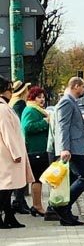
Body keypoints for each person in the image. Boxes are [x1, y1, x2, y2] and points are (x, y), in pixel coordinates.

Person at [53, 76, 84, 226]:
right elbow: (63, 126)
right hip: (71, 149)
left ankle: (65, 211)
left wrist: (83, 149)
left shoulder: (71, 101)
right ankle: (62, 207)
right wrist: (64, 148)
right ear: (76, 86)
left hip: (76, 148)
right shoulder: (66, 102)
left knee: (80, 177)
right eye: (83, 87)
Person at [0, 77, 33, 229]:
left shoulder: (4, 107)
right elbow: (7, 133)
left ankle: (9, 217)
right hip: (7, 155)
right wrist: (16, 153)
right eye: (10, 89)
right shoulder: (2, 108)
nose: (11, 92)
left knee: (7, 189)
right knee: (6, 188)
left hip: (7, 153)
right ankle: (7, 217)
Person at [20, 86, 51, 218]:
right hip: (35, 149)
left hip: (40, 148)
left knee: (39, 178)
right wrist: (44, 122)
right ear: (32, 98)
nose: (42, 100)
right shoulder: (30, 110)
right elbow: (27, 128)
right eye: (39, 97)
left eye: (43, 97)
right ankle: (37, 206)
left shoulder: (38, 110)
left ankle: (37, 205)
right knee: (37, 178)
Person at [7, 80, 32, 215]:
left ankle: (20, 201)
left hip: (16, 145)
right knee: (20, 175)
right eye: (27, 89)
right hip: (19, 145)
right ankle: (18, 201)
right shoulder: (20, 104)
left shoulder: (11, 103)